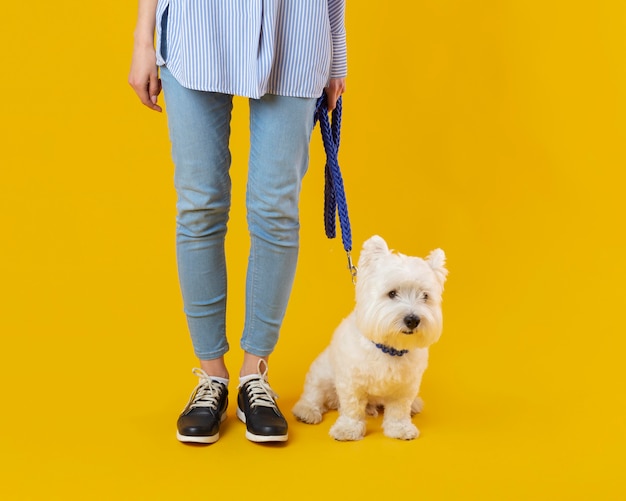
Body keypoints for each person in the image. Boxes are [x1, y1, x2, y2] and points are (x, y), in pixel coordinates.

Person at [128, 0, 347, 444]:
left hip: (295, 36)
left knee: (275, 210)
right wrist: (141, 40)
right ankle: (211, 377)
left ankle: (254, 376)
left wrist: (336, 54)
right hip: (196, 34)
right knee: (199, 206)